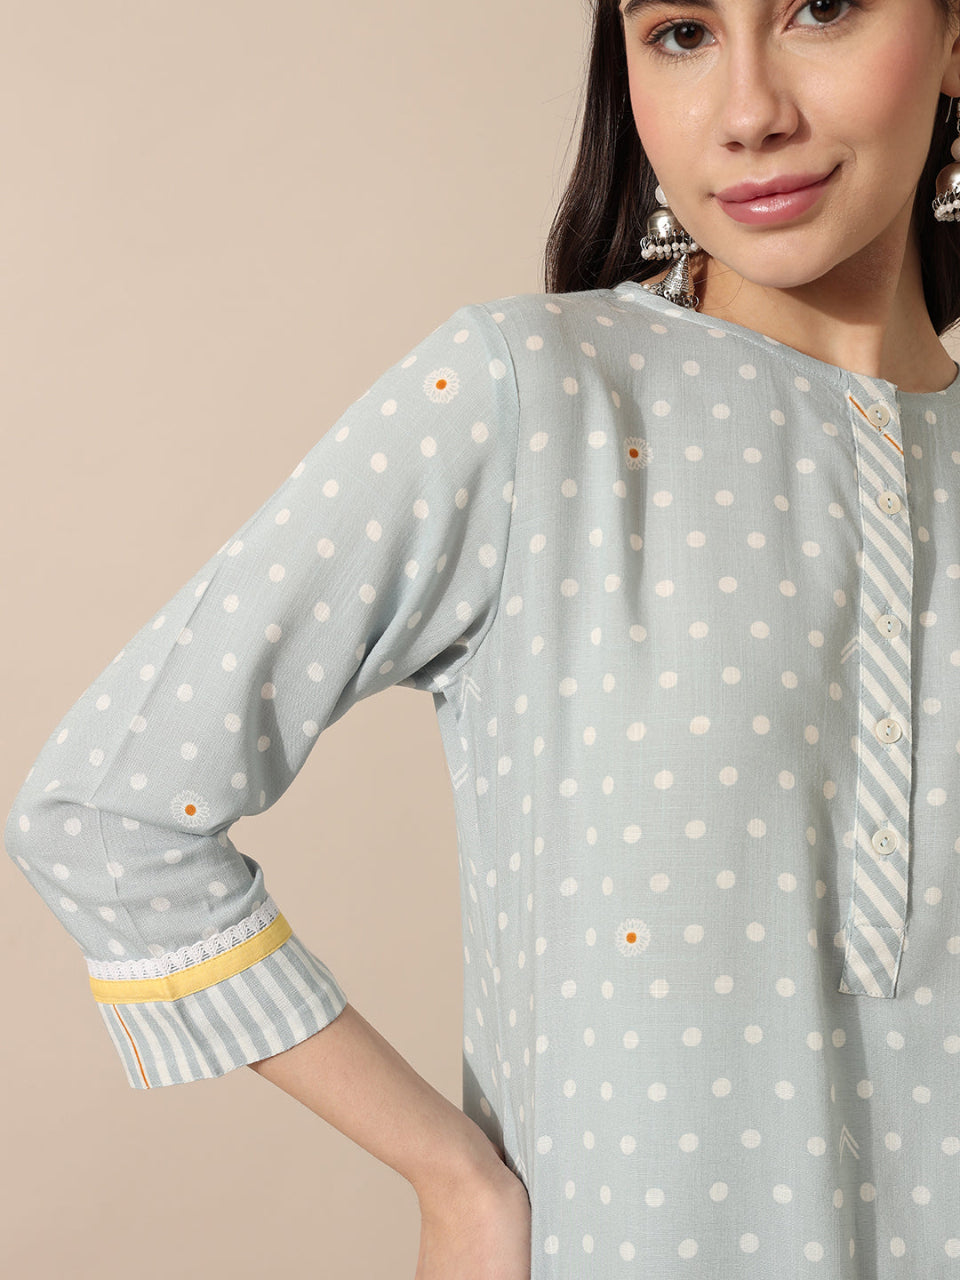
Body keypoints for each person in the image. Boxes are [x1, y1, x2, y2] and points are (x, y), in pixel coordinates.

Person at [6, 0, 960, 1275]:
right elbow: (101, 812)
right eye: (681, 33)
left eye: (821, 8)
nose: (748, 112)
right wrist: (452, 1175)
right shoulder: (535, 397)